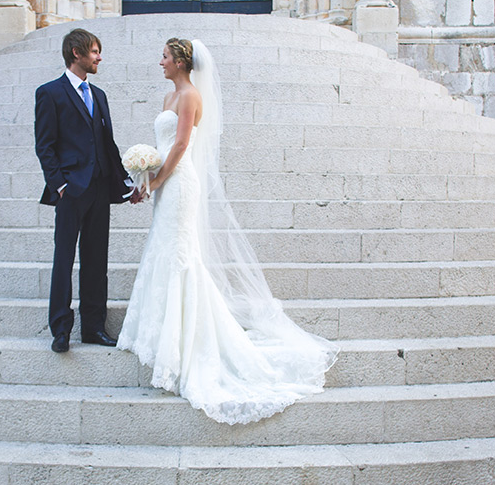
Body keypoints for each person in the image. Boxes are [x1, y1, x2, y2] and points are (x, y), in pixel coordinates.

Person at [117, 38, 337, 423]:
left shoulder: (189, 97)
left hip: (180, 183)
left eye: (165, 57)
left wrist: (156, 181)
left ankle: (186, 341)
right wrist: (144, 178)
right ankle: (158, 334)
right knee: (164, 250)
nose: (160, 62)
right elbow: (163, 144)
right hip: (163, 185)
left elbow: (182, 144)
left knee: (181, 255)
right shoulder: (169, 97)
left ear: (182, 61)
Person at [34, 28, 143, 354]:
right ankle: (61, 329)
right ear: (76, 53)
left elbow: (107, 145)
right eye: (94, 51)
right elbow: (45, 146)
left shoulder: (100, 95)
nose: (99, 57)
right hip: (71, 191)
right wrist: (60, 185)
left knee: (97, 260)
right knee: (64, 259)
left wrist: (126, 184)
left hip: (98, 189)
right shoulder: (49, 93)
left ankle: (94, 327)